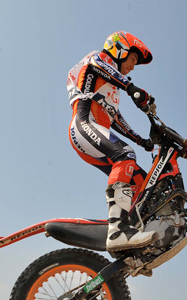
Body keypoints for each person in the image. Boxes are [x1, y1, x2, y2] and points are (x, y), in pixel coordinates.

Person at [67, 31, 158, 251]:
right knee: (125, 155)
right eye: (133, 59)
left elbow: (116, 119)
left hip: (97, 131)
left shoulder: (111, 87)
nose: (133, 67)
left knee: (140, 181)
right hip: (84, 125)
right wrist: (131, 88)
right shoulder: (98, 59)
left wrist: (141, 140)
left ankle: (132, 240)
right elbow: (97, 66)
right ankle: (117, 231)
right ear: (120, 50)